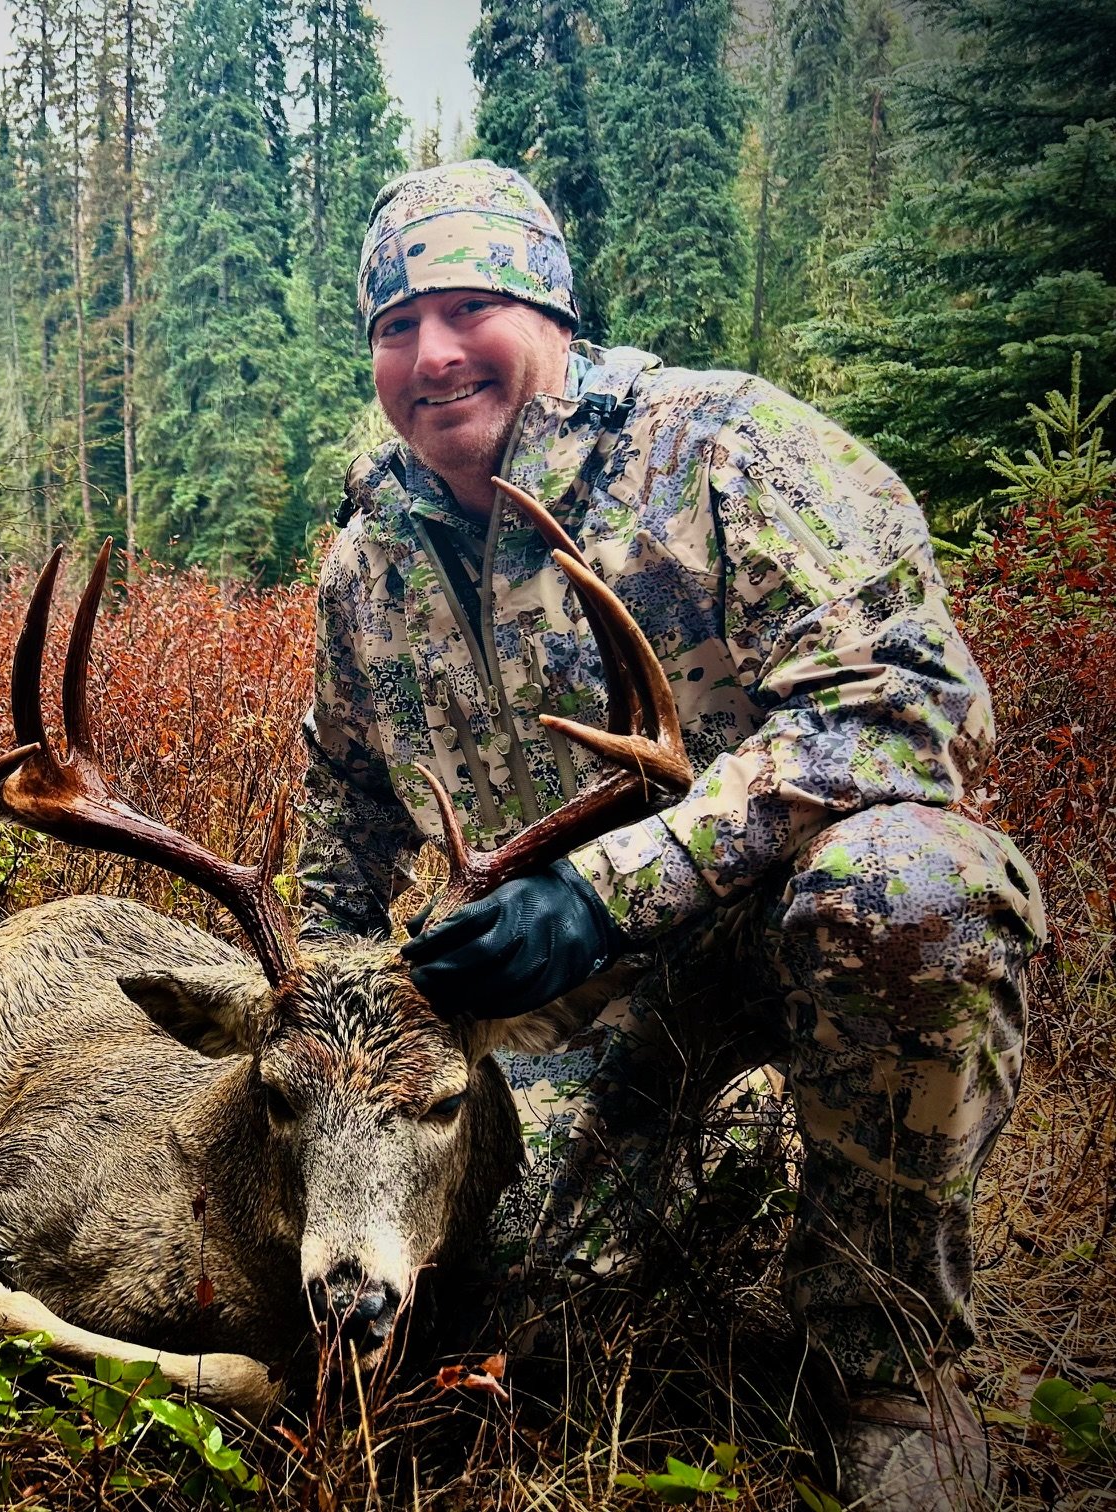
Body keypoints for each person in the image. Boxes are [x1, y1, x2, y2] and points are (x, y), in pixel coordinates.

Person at [297, 161, 1044, 1511]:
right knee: (514, 1314)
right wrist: (316, 1003)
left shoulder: (723, 448)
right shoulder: (372, 556)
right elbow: (342, 815)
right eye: (396, 327)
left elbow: (911, 707)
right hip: (566, 1002)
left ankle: (889, 1366)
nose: (433, 354)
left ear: (551, 312)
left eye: (469, 308)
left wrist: (612, 887)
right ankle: (734, 1150)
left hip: (786, 925)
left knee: (912, 891)